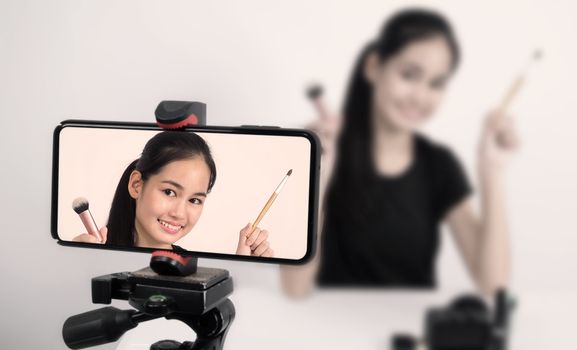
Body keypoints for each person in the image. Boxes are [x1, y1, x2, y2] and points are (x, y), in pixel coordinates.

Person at [281, 8, 518, 296]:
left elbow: (494, 288)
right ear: (374, 67)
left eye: (436, 83)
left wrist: (491, 169)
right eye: (409, 75)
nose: (420, 96)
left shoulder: (439, 165)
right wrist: (315, 178)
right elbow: (294, 290)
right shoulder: (330, 156)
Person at [73, 131, 274, 257]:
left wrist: (245, 267)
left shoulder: (196, 273)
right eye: (169, 192)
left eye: (195, 200)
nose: (179, 213)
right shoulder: (96, 255)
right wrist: (74, 269)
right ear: (136, 185)